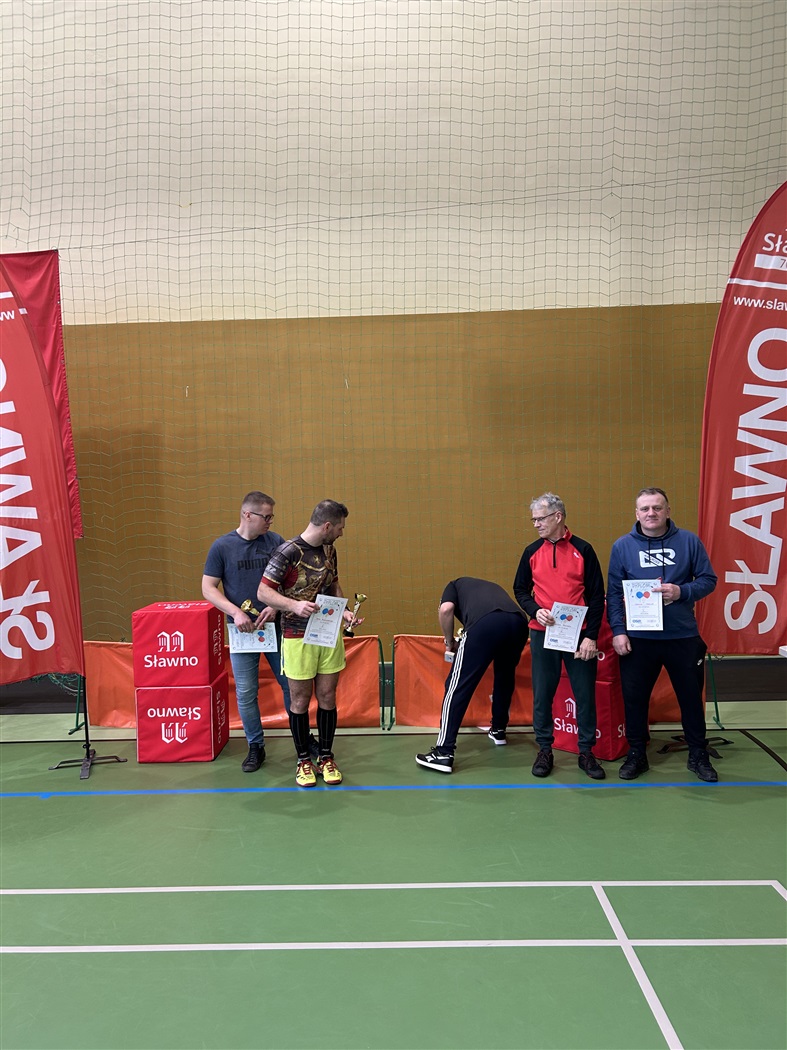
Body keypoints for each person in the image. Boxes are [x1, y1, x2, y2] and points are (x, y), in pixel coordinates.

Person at [607, 487, 719, 782]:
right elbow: (614, 593)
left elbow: (709, 580)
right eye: (645, 509)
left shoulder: (689, 541)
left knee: (691, 699)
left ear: (668, 511)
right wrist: (618, 631)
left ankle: (698, 753)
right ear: (636, 514)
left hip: (682, 637)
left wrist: (682, 591)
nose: (651, 513)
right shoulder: (622, 547)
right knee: (634, 699)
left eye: (657, 507)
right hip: (639, 639)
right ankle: (636, 754)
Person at [257, 499, 357, 788]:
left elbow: (333, 584)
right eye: (339, 527)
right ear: (327, 526)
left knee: (327, 696)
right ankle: (303, 760)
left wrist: (344, 610)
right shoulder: (287, 552)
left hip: (327, 634)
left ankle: (326, 757)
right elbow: (263, 592)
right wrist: (293, 605)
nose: (341, 532)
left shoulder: (330, 550)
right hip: (296, 636)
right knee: (300, 700)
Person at [202, 490, 301, 773]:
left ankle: (302, 741)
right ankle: (255, 746)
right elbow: (208, 588)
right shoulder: (222, 547)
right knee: (246, 691)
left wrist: (276, 606)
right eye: (266, 517)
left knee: (291, 684)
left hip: (277, 627)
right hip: (242, 631)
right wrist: (235, 612)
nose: (270, 521)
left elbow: (291, 581)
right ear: (247, 514)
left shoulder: (276, 542)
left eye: (271, 517)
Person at [513, 493, 606, 780]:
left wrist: (591, 637)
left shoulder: (584, 549)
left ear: (558, 516)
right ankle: (544, 749)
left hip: (579, 636)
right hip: (543, 635)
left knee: (585, 695)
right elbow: (519, 590)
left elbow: (597, 596)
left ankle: (586, 752)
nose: (536, 524)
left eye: (540, 519)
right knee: (542, 695)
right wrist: (535, 610)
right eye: (533, 520)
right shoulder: (531, 552)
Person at [415, 577, 529, 774]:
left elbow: (446, 610)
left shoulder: (452, 585)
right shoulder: (488, 587)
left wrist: (449, 642)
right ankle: (498, 730)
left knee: (457, 685)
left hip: (485, 622)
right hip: (518, 623)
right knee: (505, 677)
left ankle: (443, 752)